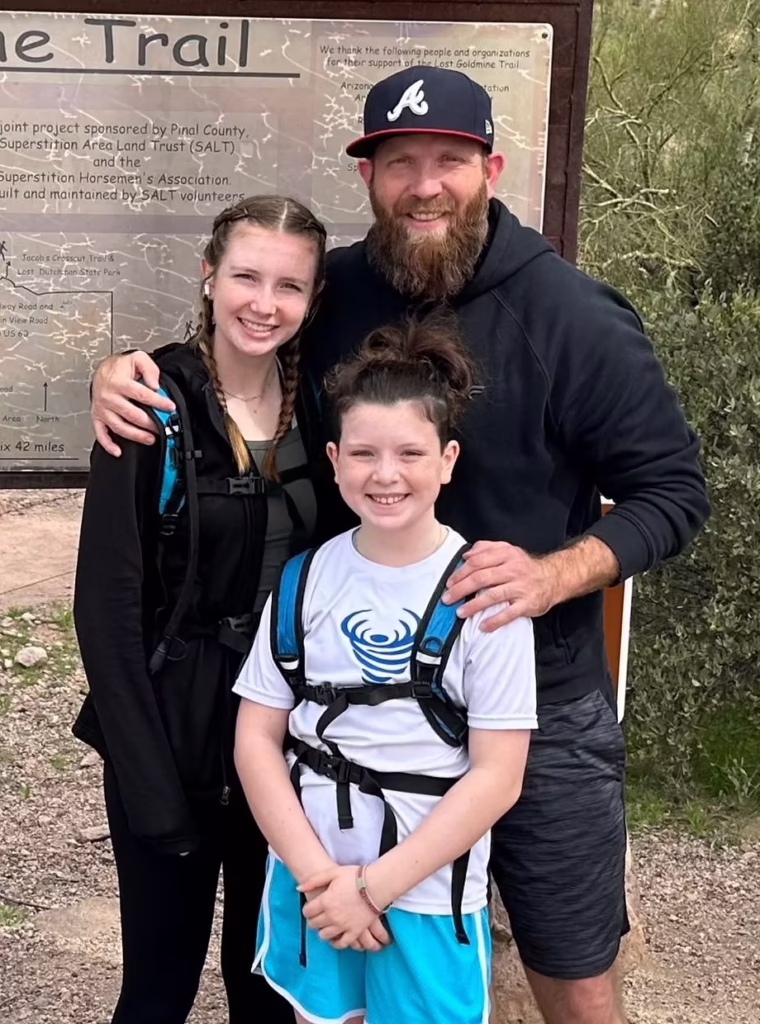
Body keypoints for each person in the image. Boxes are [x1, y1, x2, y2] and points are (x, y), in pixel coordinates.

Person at [89, 66, 710, 1024]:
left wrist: (555, 574)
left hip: (536, 699)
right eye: (399, 161)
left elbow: (672, 493)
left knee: (573, 969)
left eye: (449, 160)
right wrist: (124, 370)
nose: (425, 183)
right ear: (371, 177)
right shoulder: (333, 291)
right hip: (352, 706)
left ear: (491, 168)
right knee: (334, 970)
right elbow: (238, 342)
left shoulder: (576, 319)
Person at [73, 194, 338, 1024]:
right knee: (160, 985)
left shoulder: (321, 405)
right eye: (247, 278)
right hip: (174, 725)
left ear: (312, 299)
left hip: (286, 734)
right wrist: (147, 781)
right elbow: (107, 607)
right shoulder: (152, 404)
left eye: (288, 286)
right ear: (210, 277)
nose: (265, 304)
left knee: (264, 984)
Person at [233, 315, 537, 1024]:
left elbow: (499, 775)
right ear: (334, 460)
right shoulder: (305, 581)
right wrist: (322, 883)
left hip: (426, 896)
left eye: (410, 452)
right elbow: (256, 738)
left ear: (448, 459)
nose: (387, 474)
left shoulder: (484, 595)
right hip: (314, 884)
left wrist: (372, 889)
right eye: (364, 453)